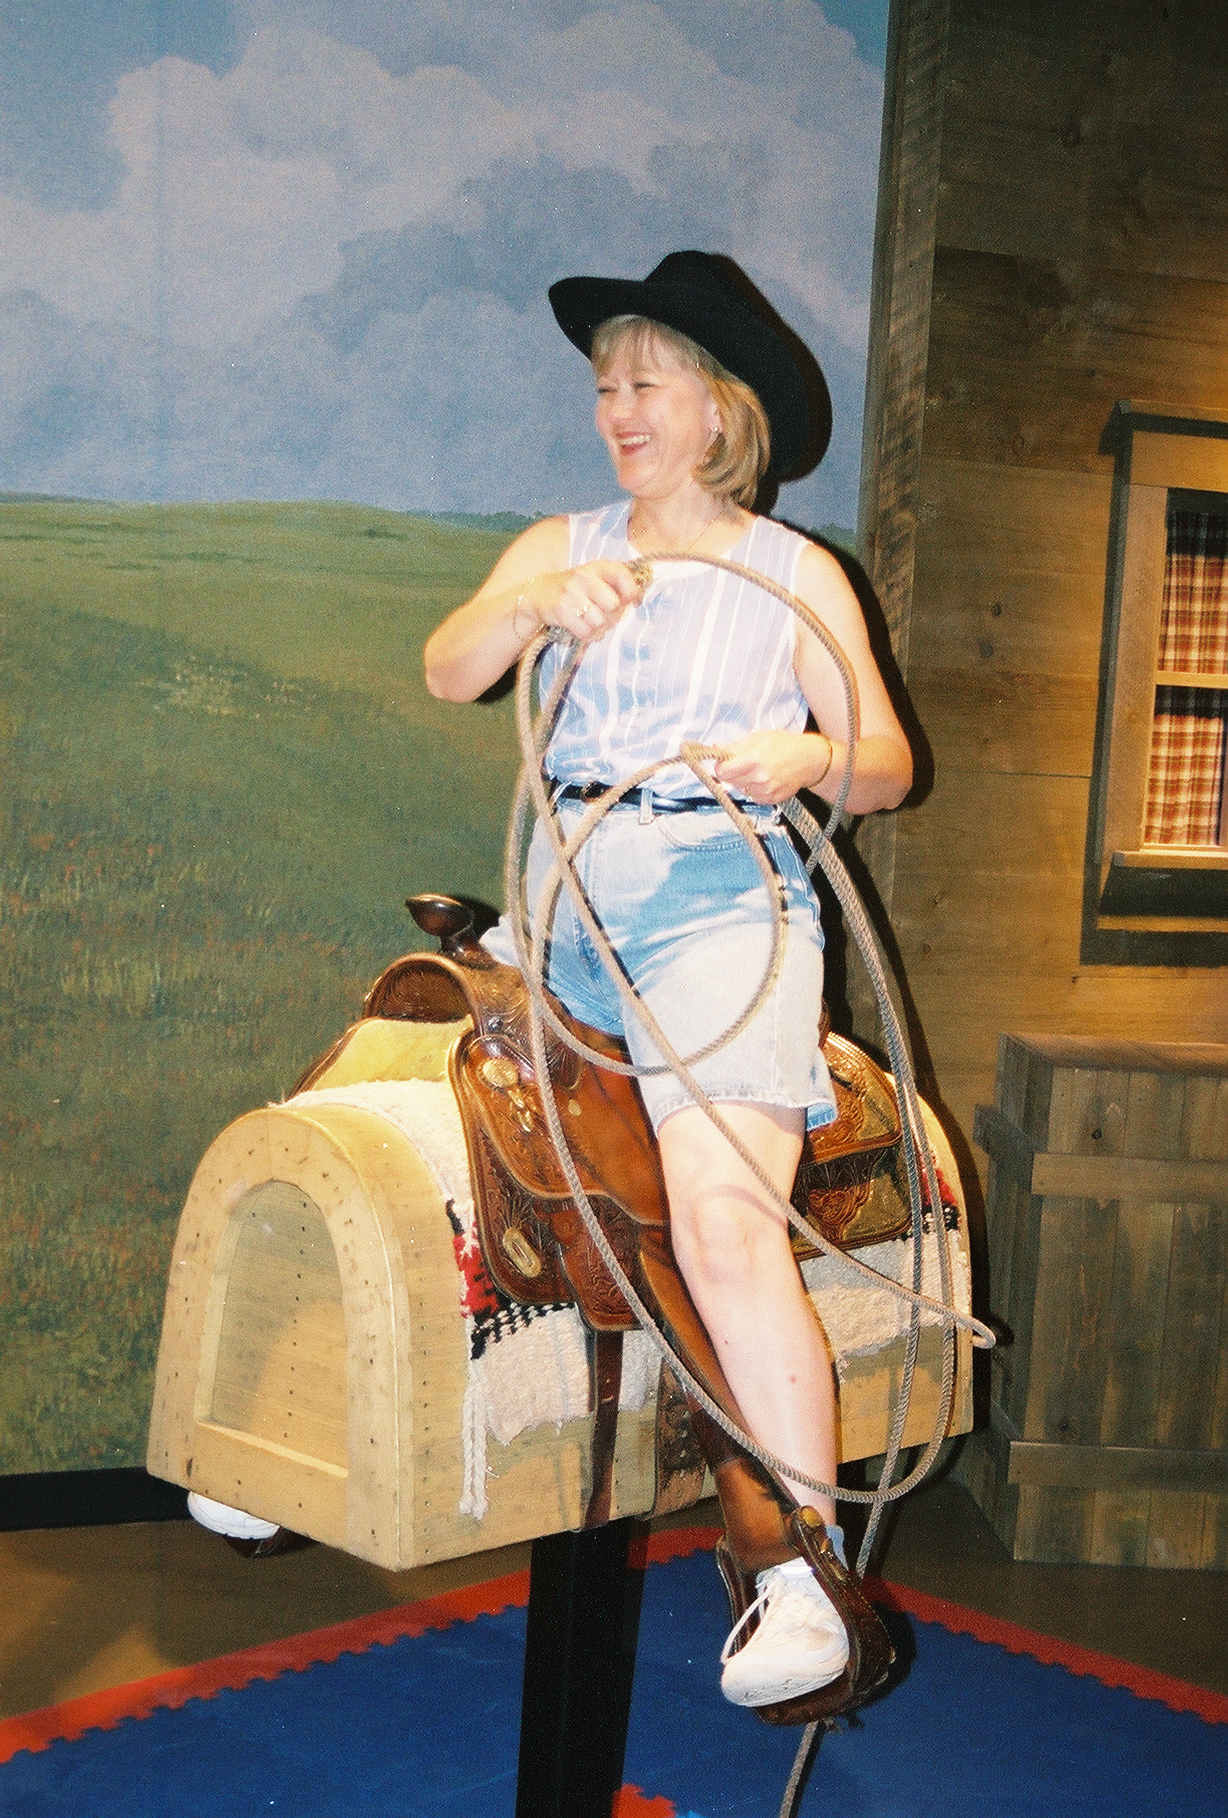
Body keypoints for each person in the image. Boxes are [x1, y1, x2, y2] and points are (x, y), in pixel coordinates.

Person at [424, 251, 912, 1710]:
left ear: (719, 408)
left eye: (644, 383)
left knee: (721, 1218)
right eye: (603, 388)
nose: (616, 411)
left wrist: (809, 755)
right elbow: (452, 669)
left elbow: (888, 764)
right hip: (563, 892)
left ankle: (804, 1568)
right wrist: (538, 603)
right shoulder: (561, 544)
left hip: (720, 901)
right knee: (423, 1106)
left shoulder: (796, 574)